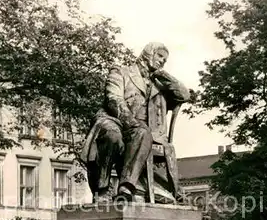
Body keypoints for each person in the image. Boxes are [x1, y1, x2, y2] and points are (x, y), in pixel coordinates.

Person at [80, 42, 190, 202]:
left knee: (143, 132)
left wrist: (164, 75)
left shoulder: (159, 84)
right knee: (112, 135)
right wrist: (130, 121)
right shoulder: (121, 71)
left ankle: (126, 188)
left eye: (164, 60)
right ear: (148, 53)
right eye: (159, 56)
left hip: (140, 131)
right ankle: (101, 190)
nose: (161, 61)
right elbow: (113, 99)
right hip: (114, 119)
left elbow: (184, 95)